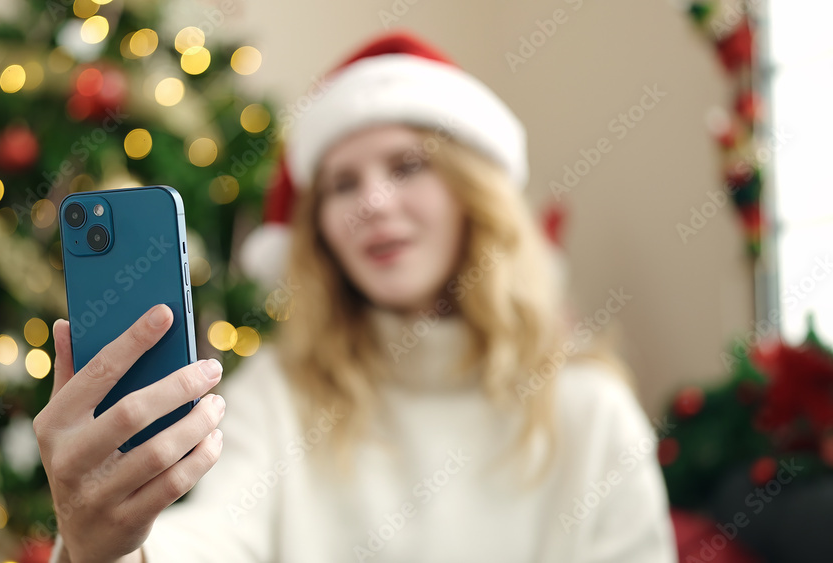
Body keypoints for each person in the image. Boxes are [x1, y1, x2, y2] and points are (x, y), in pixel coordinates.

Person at [35, 31, 677, 563]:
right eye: (343, 183)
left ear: (472, 197)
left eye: (407, 166)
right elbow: (211, 540)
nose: (372, 203)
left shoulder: (590, 412)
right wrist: (109, 550)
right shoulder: (281, 396)